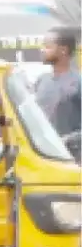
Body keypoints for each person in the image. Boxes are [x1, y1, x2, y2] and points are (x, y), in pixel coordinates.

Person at [36, 27, 81, 159]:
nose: (42, 50)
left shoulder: (78, 83)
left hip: (73, 159)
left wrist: (67, 140)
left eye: (47, 46)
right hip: (44, 157)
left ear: (63, 50)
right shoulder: (41, 81)